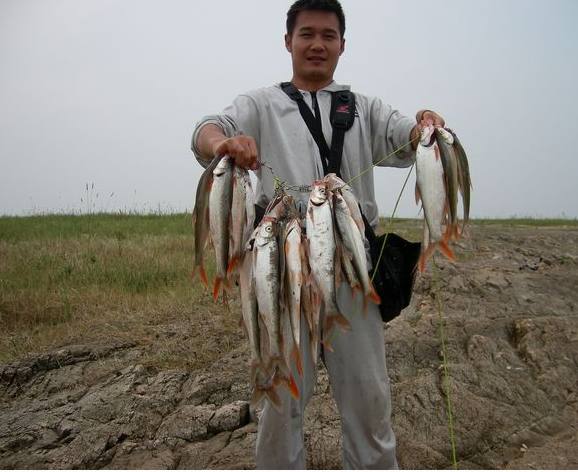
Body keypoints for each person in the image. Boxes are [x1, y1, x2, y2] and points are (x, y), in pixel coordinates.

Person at [192, 0, 445, 468]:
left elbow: (407, 138)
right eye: (306, 34)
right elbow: (206, 131)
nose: (317, 44)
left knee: (370, 401)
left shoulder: (365, 108)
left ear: (342, 45)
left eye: (328, 35)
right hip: (281, 269)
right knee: (281, 405)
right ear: (287, 41)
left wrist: (425, 126)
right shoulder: (259, 104)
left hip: (354, 268)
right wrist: (222, 143)